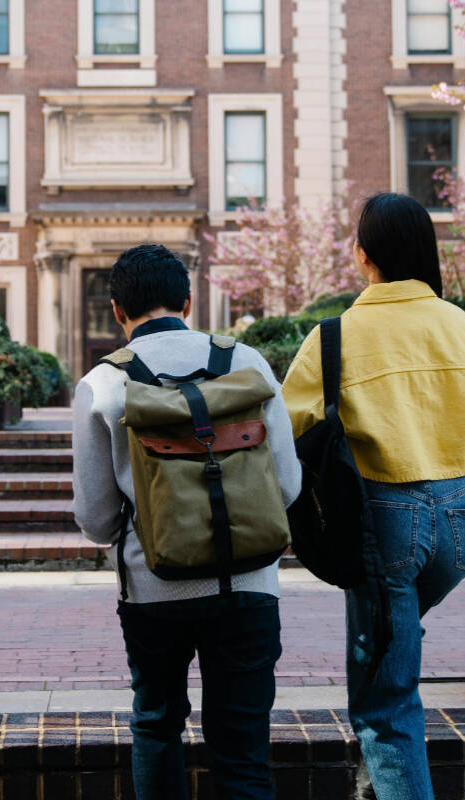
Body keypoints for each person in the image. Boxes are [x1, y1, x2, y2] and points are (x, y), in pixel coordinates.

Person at [282, 193, 465, 800]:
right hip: (462, 516)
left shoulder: (335, 338)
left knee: (386, 700)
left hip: (384, 522)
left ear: (363, 255)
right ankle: (377, 783)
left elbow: (291, 431)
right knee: (391, 646)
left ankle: (389, 776)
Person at [71, 243, 301, 800]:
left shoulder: (102, 384)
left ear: (118, 311)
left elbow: (97, 520)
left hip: (152, 589)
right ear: (189, 301)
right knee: (243, 748)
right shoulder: (247, 363)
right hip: (248, 583)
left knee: (156, 725)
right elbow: (288, 486)